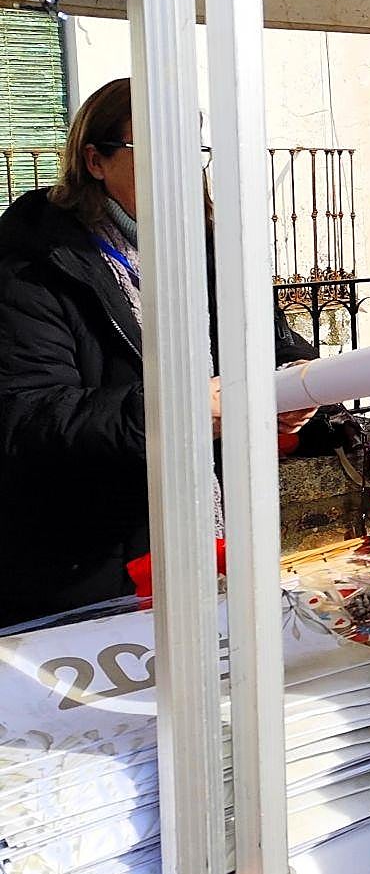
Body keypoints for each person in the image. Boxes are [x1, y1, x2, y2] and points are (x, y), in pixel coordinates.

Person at [0, 78, 317, 629]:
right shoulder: (32, 264)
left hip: (212, 525)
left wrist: (294, 390)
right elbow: (26, 415)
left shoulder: (211, 246)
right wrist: (176, 412)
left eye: (187, 147)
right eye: (151, 147)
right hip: (90, 560)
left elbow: (274, 342)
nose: (177, 165)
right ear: (94, 161)